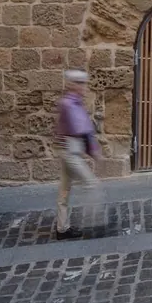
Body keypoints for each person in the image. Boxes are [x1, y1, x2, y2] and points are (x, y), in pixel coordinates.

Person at [54, 69, 103, 240]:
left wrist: (92, 149)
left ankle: (62, 228)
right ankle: (93, 219)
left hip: (70, 150)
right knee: (91, 183)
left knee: (64, 190)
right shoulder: (69, 105)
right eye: (80, 84)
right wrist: (92, 150)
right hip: (69, 151)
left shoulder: (75, 103)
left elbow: (84, 130)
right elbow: (81, 129)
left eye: (83, 83)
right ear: (73, 85)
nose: (83, 87)